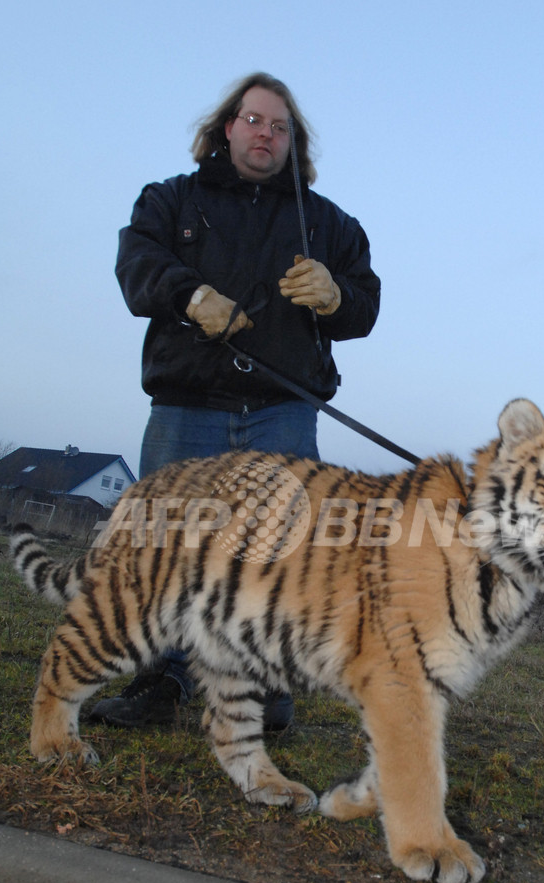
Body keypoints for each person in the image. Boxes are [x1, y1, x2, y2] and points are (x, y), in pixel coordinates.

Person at [88, 72, 380, 731]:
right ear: (227, 126)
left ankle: (263, 685)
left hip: (283, 411)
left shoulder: (330, 223)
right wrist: (190, 296)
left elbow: (365, 306)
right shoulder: (171, 199)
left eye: (279, 127)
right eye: (254, 120)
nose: (265, 134)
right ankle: (161, 681)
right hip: (185, 405)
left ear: (293, 142)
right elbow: (136, 263)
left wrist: (336, 296)